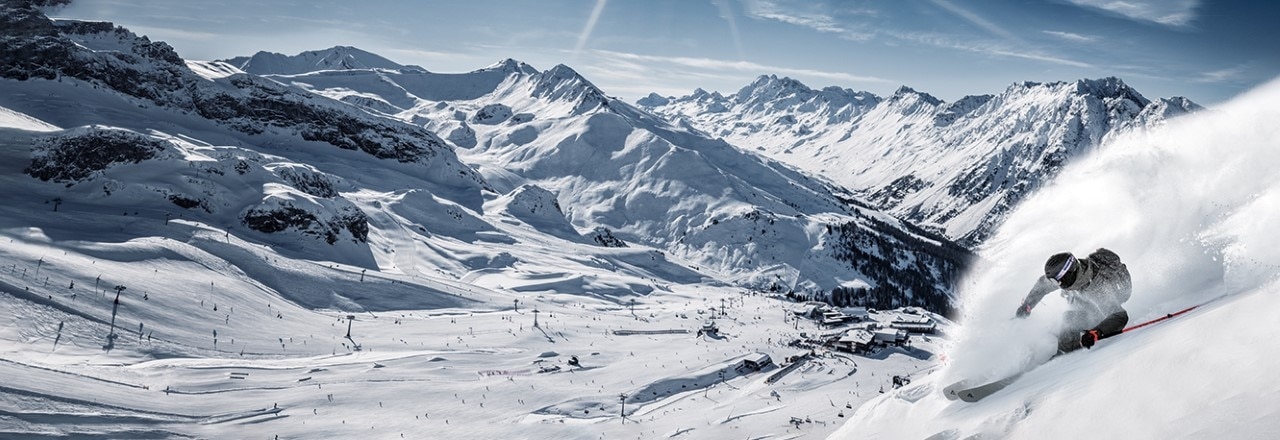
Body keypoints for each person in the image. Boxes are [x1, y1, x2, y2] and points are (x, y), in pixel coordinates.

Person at [1015, 248, 1131, 353]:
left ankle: (1068, 352)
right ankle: (1058, 341)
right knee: (1061, 322)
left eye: (1057, 282)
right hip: (1084, 305)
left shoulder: (1097, 288)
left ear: (1067, 276)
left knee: (1069, 319)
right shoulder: (1069, 278)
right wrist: (1027, 306)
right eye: (1054, 282)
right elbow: (1042, 286)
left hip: (1100, 316)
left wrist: (1096, 332)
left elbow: (1120, 316)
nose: (1056, 285)